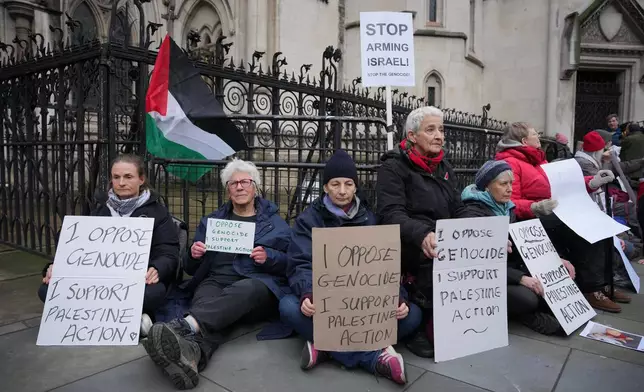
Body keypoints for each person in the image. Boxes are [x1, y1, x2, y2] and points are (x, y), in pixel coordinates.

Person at [143, 159, 292, 390]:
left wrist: (270, 257)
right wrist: (194, 254)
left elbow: (291, 263)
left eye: (245, 182)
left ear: (255, 187)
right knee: (207, 306)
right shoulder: (213, 221)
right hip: (215, 281)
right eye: (234, 183)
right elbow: (190, 268)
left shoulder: (274, 223)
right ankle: (192, 356)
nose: (240, 187)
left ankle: (184, 325)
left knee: (245, 290)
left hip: (257, 285)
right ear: (228, 189)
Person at [281, 149, 422, 385]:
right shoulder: (309, 220)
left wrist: (398, 299)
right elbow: (300, 262)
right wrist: (308, 293)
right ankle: (376, 358)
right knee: (287, 307)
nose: (342, 191)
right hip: (325, 303)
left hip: (365, 305)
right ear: (325, 187)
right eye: (335, 184)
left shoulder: (371, 219)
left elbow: (386, 269)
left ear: (356, 187)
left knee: (412, 315)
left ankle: (325, 348)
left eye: (348, 184)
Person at [495, 122, 630, 312]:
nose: (539, 136)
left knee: (600, 223)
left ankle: (605, 284)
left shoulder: (537, 161)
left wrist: (592, 181)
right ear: (525, 141)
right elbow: (509, 201)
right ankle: (592, 289)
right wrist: (535, 207)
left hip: (552, 210)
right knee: (582, 226)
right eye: (535, 133)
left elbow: (565, 184)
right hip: (531, 218)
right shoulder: (510, 162)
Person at [38, 154, 179, 335]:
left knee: (155, 293)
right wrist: (55, 267)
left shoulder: (158, 213)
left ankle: (91, 314)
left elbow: (169, 251)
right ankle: (126, 318)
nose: (121, 183)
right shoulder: (100, 210)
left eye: (128, 177)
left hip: (136, 280)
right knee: (46, 290)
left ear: (141, 179)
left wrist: (157, 268)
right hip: (98, 280)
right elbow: (76, 248)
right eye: (116, 177)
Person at [375, 106, 471, 359]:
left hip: (440, 236)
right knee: (431, 257)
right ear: (412, 136)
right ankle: (418, 325)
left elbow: (458, 207)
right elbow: (391, 214)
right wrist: (422, 235)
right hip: (406, 240)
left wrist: (480, 232)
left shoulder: (444, 167)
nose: (439, 135)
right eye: (431, 130)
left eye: (441, 130)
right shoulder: (393, 167)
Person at [461, 160, 568, 335]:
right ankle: (525, 317)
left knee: (549, 286)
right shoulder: (472, 213)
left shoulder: (506, 208)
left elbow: (521, 245)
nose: (510, 189)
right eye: (503, 184)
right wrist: (520, 278)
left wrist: (552, 259)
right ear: (487, 186)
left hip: (506, 270)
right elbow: (475, 263)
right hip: (483, 279)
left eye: (511, 183)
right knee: (528, 299)